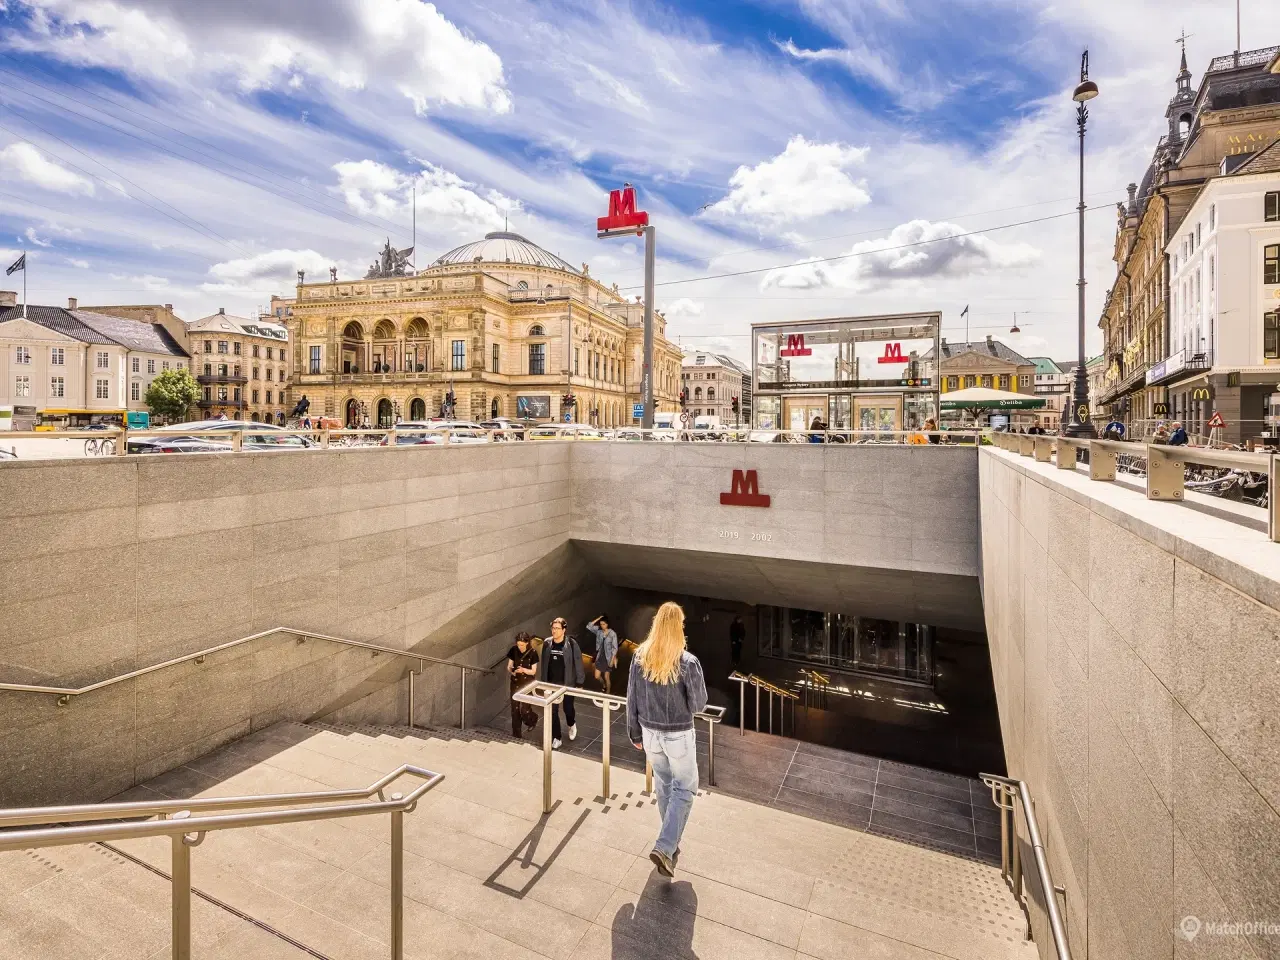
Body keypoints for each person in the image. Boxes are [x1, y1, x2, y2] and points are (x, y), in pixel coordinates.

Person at [627, 602, 708, 879]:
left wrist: (634, 732)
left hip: (649, 734)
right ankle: (664, 845)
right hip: (678, 735)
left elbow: (632, 698)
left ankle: (669, 847)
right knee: (685, 788)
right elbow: (698, 705)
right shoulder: (688, 662)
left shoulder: (639, 655)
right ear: (677, 627)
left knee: (664, 786)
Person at [536, 617, 584, 748]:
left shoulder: (571, 644)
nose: (554, 631)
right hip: (551, 684)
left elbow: (578, 662)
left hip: (567, 684)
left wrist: (580, 683)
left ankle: (571, 723)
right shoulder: (547, 643)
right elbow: (544, 664)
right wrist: (543, 682)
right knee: (552, 711)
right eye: (553, 628)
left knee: (568, 708)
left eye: (557, 628)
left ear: (564, 630)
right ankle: (557, 737)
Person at [506, 632, 540, 738]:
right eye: (518, 644)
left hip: (527, 684)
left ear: (527, 643)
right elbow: (509, 666)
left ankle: (532, 720)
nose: (519, 646)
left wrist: (523, 670)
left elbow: (533, 671)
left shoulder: (533, 653)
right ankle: (516, 734)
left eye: (522, 644)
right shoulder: (513, 650)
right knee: (514, 709)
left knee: (524, 710)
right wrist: (513, 671)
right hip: (515, 682)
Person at [587, 615, 619, 693]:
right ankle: (603, 685)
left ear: (607, 624)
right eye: (601, 624)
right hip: (599, 656)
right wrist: (599, 618)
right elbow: (589, 626)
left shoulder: (612, 634)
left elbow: (615, 648)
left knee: (606, 677)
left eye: (604, 624)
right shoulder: (599, 631)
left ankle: (607, 693)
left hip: (608, 658)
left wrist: (612, 660)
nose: (602, 626)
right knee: (597, 676)